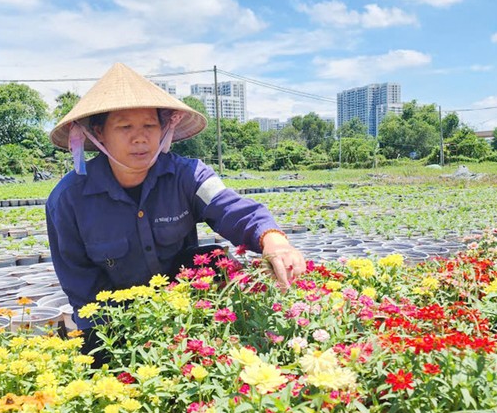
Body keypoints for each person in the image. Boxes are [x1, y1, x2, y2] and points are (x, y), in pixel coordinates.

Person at [45, 62, 306, 334]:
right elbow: (81, 287)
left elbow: (232, 208)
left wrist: (274, 241)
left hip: (188, 314)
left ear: (164, 129)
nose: (140, 138)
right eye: (124, 127)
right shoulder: (67, 201)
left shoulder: (190, 175)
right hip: (117, 327)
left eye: (149, 125)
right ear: (99, 133)